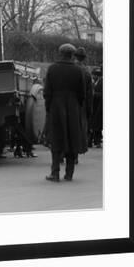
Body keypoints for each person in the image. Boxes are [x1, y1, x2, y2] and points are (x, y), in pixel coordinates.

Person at [43, 43, 86, 182]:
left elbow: (47, 92)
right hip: (73, 107)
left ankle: (55, 173)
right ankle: (69, 173)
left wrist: (49, 107)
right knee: (72, 138)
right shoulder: (78, 70)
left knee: (56, 139)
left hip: (56, 106)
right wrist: (76, 105)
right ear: (72, 55)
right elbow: (82, 93)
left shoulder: (52, 69)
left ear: (60, 53)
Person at [74, 47, 94, 157]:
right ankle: (75, 155)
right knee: (79, 129)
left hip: (71, 102)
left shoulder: (71, 68)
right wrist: (89, 109)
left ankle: (63, 153)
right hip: (82, 104)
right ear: (84, 58)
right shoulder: (86, 72)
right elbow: (90, 93)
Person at [91, 67, 103, 147]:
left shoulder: (102, 82)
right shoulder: (95, 82)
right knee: (95, 124)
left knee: (97, 124)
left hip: (99, 106)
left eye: (94, 75)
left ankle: (97, 141)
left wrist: (94, 94)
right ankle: (95, 140)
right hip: (95, 106)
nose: (92, 77)